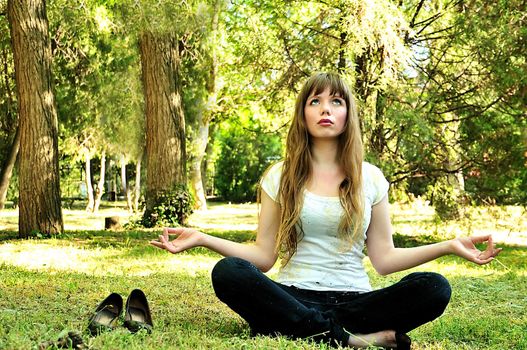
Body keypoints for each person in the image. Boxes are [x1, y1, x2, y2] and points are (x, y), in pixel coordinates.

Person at [150, 72, 502, 349]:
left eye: (336, 101)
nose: (325, 109)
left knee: (435, 287)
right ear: (303, 114)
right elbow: (263, 257)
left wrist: (448, 246)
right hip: (292, 292)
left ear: (348, 114)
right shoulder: (280, 175)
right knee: (229, 272)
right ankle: (350, 339)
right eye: (315, 101)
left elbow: (383, 260)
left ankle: (301, 325)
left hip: (355, 302)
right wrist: (202, 238)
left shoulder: (371, 178)